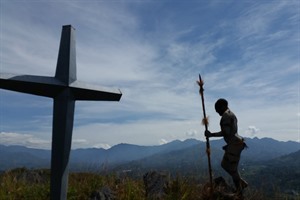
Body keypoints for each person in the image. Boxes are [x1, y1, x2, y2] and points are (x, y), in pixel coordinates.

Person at [205, 98, 248, 194]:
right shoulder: (231, 114)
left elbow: (226, 132)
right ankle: (241, 183)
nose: (217, 112)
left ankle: (239, 190)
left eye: (217, 109)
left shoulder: (226, 116)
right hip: (235, 144)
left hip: (234, 145)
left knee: (232, 169)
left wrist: (211, 135)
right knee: (225, 165)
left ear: (222, 106)